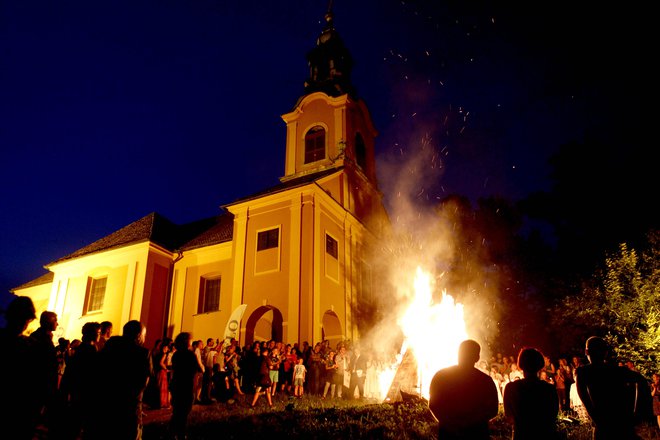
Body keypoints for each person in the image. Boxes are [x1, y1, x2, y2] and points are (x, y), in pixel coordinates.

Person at [576, 336, 650, 440]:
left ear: (586, 351)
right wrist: (636, 412)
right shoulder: (618, 371)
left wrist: (596, 418)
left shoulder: (583, 373)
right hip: (622, 423)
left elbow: (585, 400)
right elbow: (641, 380)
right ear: (605, 352)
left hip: (603, 425)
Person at [428, 339, 499, 440]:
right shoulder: (485, 380)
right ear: (477, 357)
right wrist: (470, 423)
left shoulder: (441, 376)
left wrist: (450, 424)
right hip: (476, 434)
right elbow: (492, 410)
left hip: (448, 434)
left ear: (458, 353)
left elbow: (433, 405)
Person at [97, 320, 152, 440]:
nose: (144, 338)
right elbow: (143, 381)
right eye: (144, 335)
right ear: (138, 335)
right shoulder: (142, 353)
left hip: (106, 402)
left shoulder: (110, 346)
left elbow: (100, 371)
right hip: (129, 406)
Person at [0, 296, 37, 440]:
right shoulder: (28, 345)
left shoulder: (30, 344)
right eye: (24, 319)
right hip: (17, 407)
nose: (25, 324)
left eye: (26, 320)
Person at [503, 347, 559, 439]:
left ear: (521, 364)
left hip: (521, 435)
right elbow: (553, 415)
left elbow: (509, 416)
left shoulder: (511, 388)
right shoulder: (549, 389)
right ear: (540, 364)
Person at [169, 332, 203, 440]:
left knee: (177, 411)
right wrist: (197, 359)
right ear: (186, 341)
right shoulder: (190, 355)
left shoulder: (176, 354)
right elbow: (200, 368)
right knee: (183, 412)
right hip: (186, 386)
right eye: (190, 339)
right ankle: (180, 434)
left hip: (176, 385)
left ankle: (173, 433)